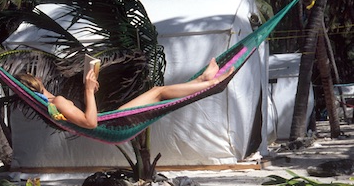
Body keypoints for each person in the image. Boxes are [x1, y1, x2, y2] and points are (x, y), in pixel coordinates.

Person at [16, 57, 234, 129]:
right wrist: (89, 91)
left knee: (158, 91)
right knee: (160, 91)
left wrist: (89, 88)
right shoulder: (59, 101)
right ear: (38, 81)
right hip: (112, 123)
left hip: (111, 119)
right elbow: (90, 123)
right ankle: (210, 83)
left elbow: (82, 119)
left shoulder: (52, 103)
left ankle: (202, 80)